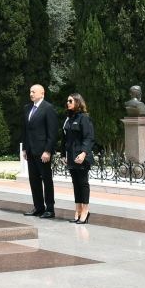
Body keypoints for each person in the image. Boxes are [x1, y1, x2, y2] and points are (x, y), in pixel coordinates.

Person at [21, 84, 58, 218]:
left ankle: (50, 208)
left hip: (43, 152)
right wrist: (25, 148)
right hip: (31, 151)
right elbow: (26, 130)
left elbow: (52, 132)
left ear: (42, 93)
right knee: (34, 180)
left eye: (33, 92)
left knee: (46, 180)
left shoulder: (48, 108)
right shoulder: (27, 108)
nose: (31, 94)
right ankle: (38, 207)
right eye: (30, 91)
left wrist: (48, 151)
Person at [63, 93, 95, 224]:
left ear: (77, 102)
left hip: (81, 156)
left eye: (70, 101)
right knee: (75, 184)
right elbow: (65, 139)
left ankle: (85, 210)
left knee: (83, 183)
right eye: (67, 101)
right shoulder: (69, 119)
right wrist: (62, 154)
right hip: (71, 156)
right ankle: (78, 209)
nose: (68, 103)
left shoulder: (84, 118)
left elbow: (89, 138)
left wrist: (83, 153)